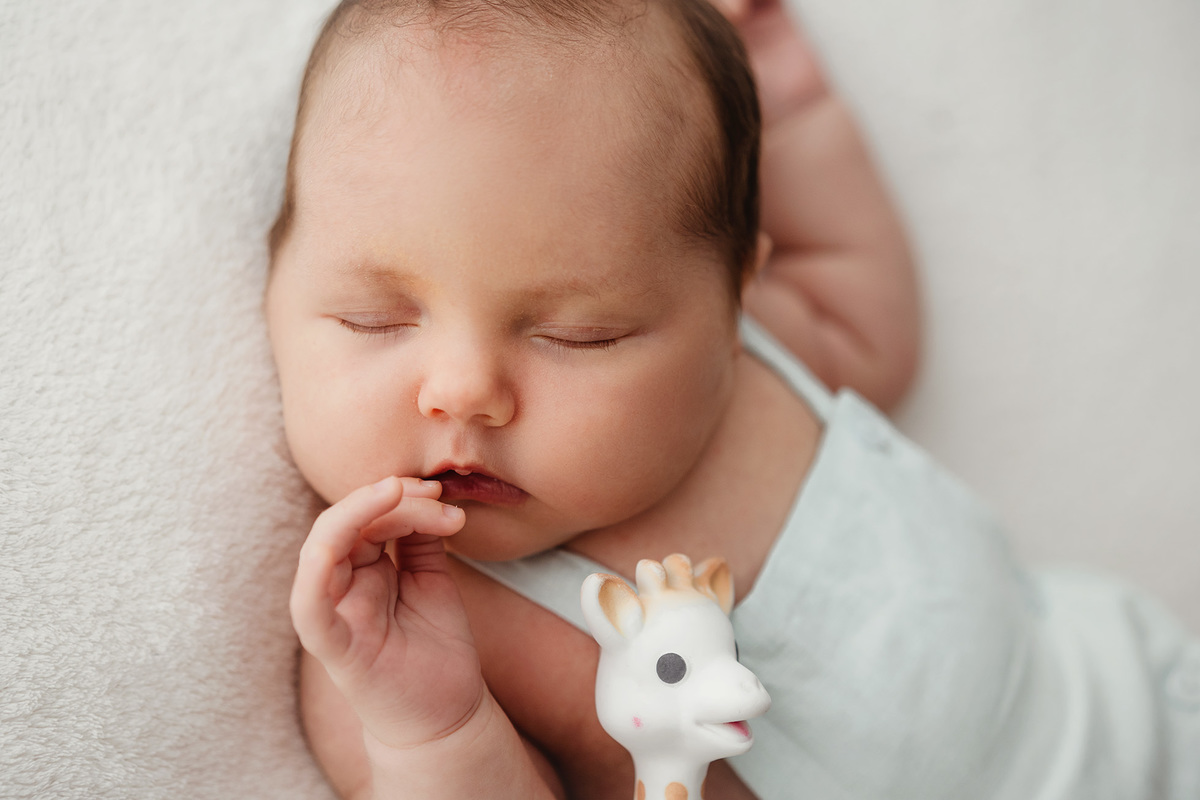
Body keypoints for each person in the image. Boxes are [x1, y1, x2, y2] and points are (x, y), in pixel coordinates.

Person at [265, 0, 1199, 798]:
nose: (464, 389)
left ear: (731, 301)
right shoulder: (390, 641)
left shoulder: (752, 353)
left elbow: (861, 301)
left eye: (578, 335)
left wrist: (788, 96)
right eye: (375, 318)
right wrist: (433, 731)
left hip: (1129, 706)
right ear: (274, 284)